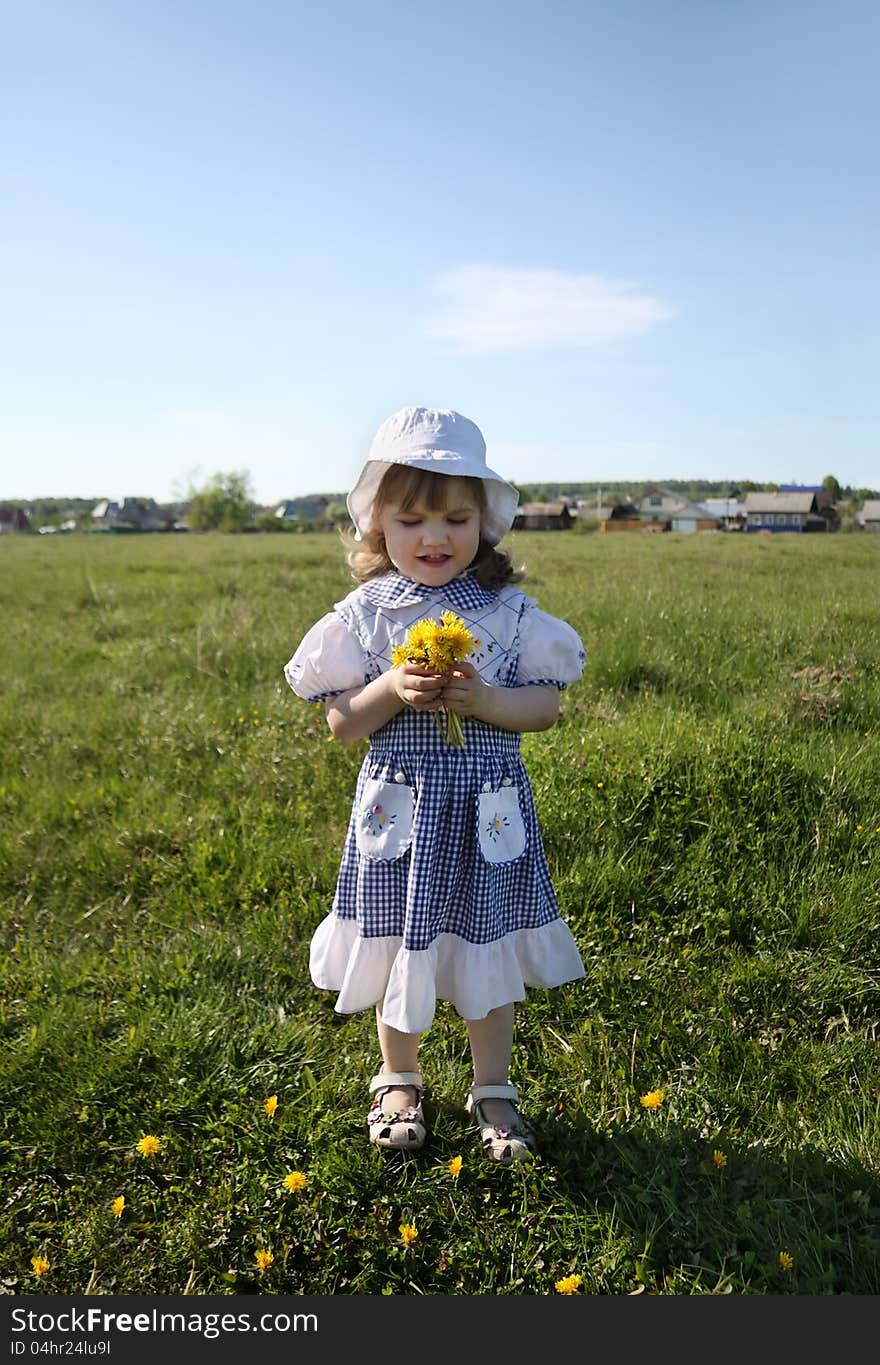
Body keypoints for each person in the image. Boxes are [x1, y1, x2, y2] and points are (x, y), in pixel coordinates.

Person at [284, 406, 586, 1162]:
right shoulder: (365, 616)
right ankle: (399, 1075)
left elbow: (545, 707)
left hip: (485, 820)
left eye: (455, 518)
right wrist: (390, 687)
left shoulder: (511, 615)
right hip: (402, 821)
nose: (434, 537)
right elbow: (342, 722)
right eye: (412, 518)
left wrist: (486, 701)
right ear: (377, 523)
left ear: (483, 523)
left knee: (487, 946)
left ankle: (493, 1086)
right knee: (397, 944)